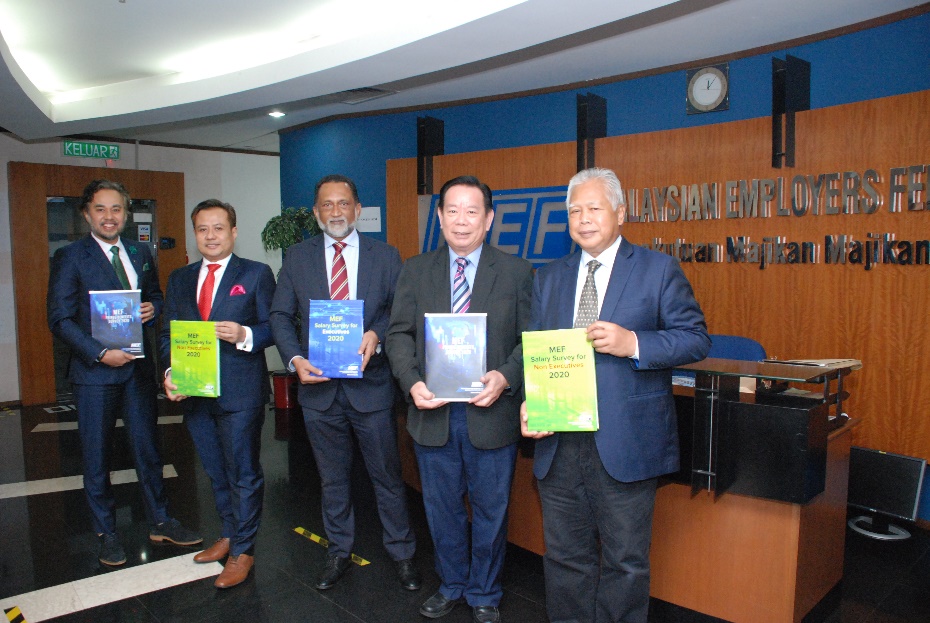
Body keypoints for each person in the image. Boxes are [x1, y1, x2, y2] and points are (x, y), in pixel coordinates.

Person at [521, 167, 711, 623]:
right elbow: (534, 348)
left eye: (593, 208)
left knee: (625, 564)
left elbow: (695, 338)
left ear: (620, 213)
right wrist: (530, 401)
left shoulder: (657, 269)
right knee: (566, 559)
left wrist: (635, 344)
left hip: (626, 443)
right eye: (574, 211)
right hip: (559, 441)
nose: (583, 219)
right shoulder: (548, 277)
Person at [386, 175, 533, 623]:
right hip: (433, 416)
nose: (462, 220)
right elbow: (398, 335)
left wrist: (506, 378)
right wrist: (411, 382)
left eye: (473, 211)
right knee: (441, 509)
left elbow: (530, 341)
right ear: (440, 216)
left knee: (491, 511)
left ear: (489, 219)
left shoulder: (517, 271)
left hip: (492, 416)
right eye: (453, 210)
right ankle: (451, 584)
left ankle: (484, 590)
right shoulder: (415, 269)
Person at [269, 174, 421, 592]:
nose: (336, 211)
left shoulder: (386, 256)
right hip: (318, 390)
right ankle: (338, 551)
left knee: (387, 477)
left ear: (357, 209)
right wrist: (294, 358)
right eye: (327, 205)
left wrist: (378, 333)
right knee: (332, 479)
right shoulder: (297, 258)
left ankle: (403, 552)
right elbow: (280, 315)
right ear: (316, 213)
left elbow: (400, 312)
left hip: (370, 389)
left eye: (343, 203)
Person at [47, 179, 202, 567]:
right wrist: (100, 352)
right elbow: (60, 319)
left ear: (126, 214)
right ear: (87, 214)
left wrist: (153, 307)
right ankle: (106, 533)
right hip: (94, 374)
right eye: (101, 209)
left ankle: (162, 519)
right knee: (96, 456)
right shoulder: (71, 257)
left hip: (136, 371)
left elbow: (154, 295)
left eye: (116, 209)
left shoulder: (140, 251)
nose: (109, 216)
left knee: (148, 449)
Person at [160, 199, 276, 588]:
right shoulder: (179, 278)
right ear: (195, 234)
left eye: (218, 228)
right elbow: (166, 335)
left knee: (243, 473)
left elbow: (273, 327)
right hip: (195, 393)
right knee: (215, 472)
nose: (210, 236)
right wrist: (170, 370)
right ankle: (228, 534)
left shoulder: (257, 274)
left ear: (234, 232)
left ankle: (243, 550)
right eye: (203, 229)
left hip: (240, 393)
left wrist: (245, 335)